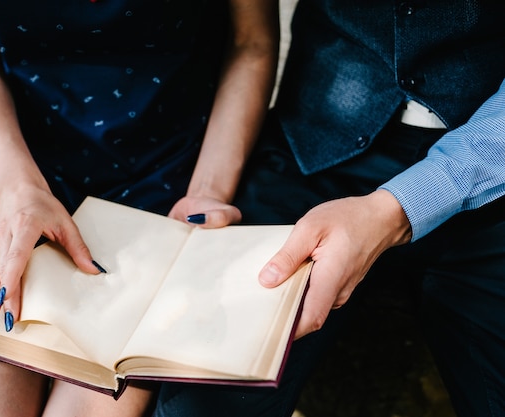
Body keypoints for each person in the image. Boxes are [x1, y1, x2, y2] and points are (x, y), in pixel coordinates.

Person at [150, 1, 505, 416]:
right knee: (204, 389)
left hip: (489, 165)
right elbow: (249, 38)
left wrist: (399, 208)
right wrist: (208, 190)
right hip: (310, 144)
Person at [0, 0, 279, 415]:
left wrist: (208, 191)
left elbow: (251, 43)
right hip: (14, 160)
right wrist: (17, 189)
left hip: (169, 171)